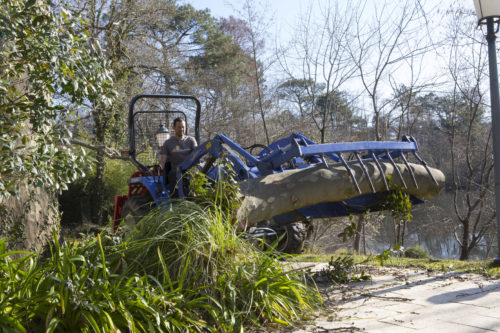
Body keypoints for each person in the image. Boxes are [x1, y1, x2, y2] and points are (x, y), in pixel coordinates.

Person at [159, 117, 197, 193]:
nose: (181, 129)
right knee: (172, 174)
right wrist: (159, 169)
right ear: (174, 128)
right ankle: (174, 197)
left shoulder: (191, 140)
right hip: (176, 170)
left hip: (189, 169)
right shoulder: (168, 143)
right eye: (179, 127)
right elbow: (163, 161)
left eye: (183, 127)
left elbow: (197, 154)